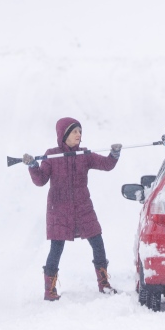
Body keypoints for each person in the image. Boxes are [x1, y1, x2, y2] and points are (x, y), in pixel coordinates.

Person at [23, 117, 122, 301]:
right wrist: (33, 166)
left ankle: (104, 284)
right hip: (59, 208)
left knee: (97, 242)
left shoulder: (84, 155)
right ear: (64, 135)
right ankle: (49, 291)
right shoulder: (52, 155)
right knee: (56, 247)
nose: (79, 135)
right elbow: (40, 181)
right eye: (74, 131)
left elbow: (106, 165)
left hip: (83, 207)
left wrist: (114, 154)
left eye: (80, 131)